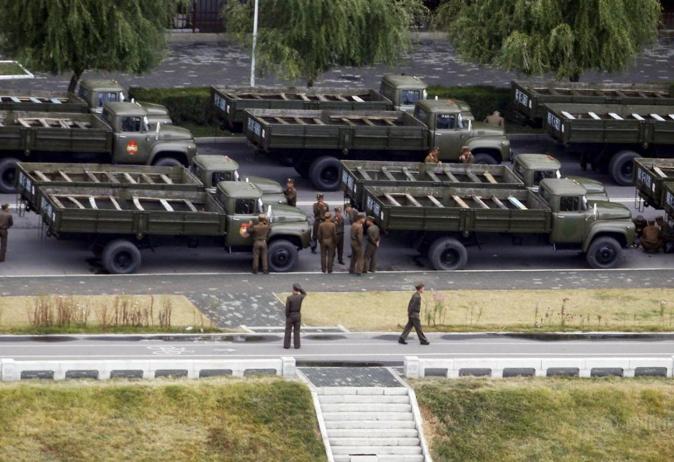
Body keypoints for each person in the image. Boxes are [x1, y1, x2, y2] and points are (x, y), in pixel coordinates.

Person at [284, 283, 306, 349]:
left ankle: (287, 345)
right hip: (297, 315)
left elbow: (287, 309)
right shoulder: (300, 297)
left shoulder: (289, 298)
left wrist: (287, 315)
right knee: (297, 331)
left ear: (293, 290)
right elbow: (304, 293)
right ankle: (297, 345)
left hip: (290, 315)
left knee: (288, 331)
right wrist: (300, 288)